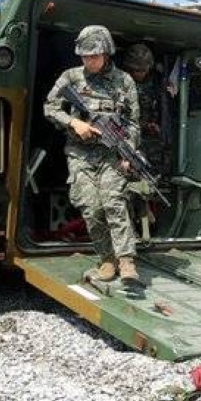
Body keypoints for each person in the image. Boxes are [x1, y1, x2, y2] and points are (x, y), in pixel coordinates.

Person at [43, 25, 141, 283]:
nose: (89, 61)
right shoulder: (71, 77)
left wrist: (128, 154)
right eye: (85, 56)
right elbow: (50, 107)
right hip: (80, 154)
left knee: (113, 202)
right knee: (92, 208)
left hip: (112, 154)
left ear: (106, 53)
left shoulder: (124, 81)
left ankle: (126, 260)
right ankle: (107, 259)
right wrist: (73, 123)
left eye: (94, 56)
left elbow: (133, 123)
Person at [121, 43, 170, 176]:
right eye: (136, 70)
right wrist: (143, 125)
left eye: (143, 70)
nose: (140, 73)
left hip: (148, 136)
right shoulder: (120, 83)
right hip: (125, 135)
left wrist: (153, 126)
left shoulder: (155, 83)